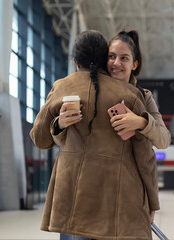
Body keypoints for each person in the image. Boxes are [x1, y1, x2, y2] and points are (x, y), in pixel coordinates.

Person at [30, 30, 159, 240]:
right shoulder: (130, 96)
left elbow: (39, 138)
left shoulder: (62, 87)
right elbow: (145, 157)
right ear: (104, 60)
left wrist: (58, 124)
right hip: (114, 204)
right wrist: (152, 201)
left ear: (76, 60)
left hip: (70, 202)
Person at [107, 30, 171, 149]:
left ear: (134, 64)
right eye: (111, 56)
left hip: (129, 167)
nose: (116, 63)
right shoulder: (93, 91)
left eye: (124, 58)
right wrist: (60, 123)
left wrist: (141, 122)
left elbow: (164, 140)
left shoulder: (144, 96)